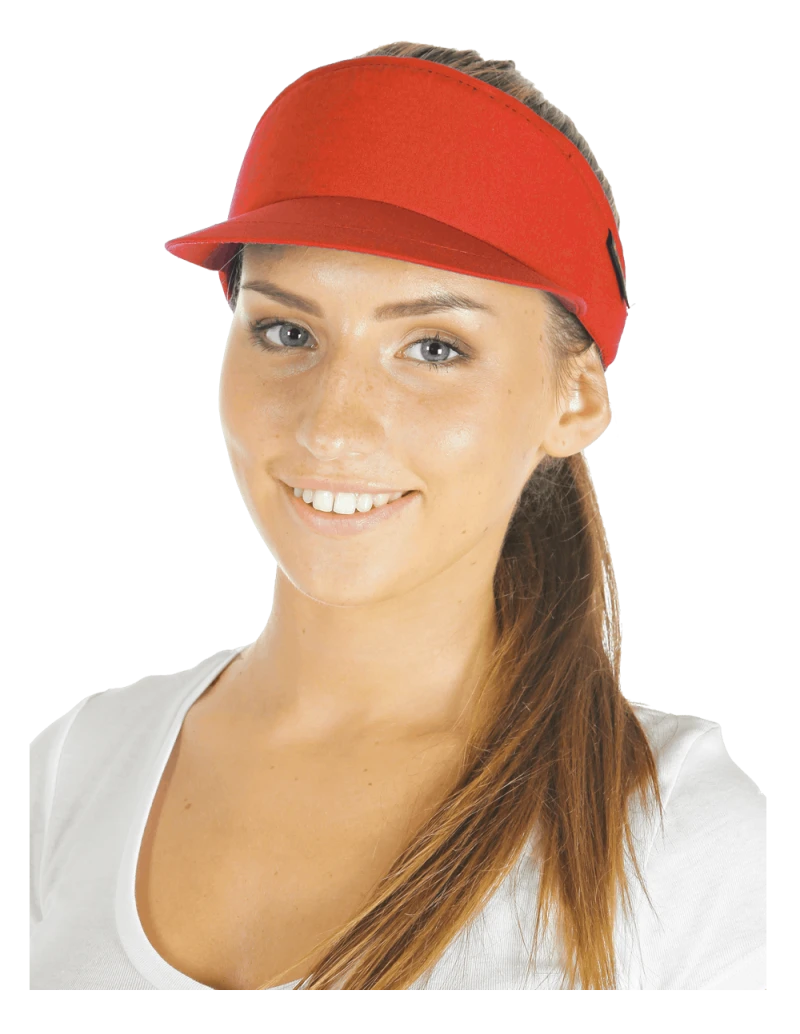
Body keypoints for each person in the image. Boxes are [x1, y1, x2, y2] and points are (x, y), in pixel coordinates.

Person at [24, 43, 767, 993]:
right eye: (287, 331)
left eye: (434, 347)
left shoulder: (682, 844)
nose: (331, 424)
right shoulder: (76, 767)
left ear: (574, 397)